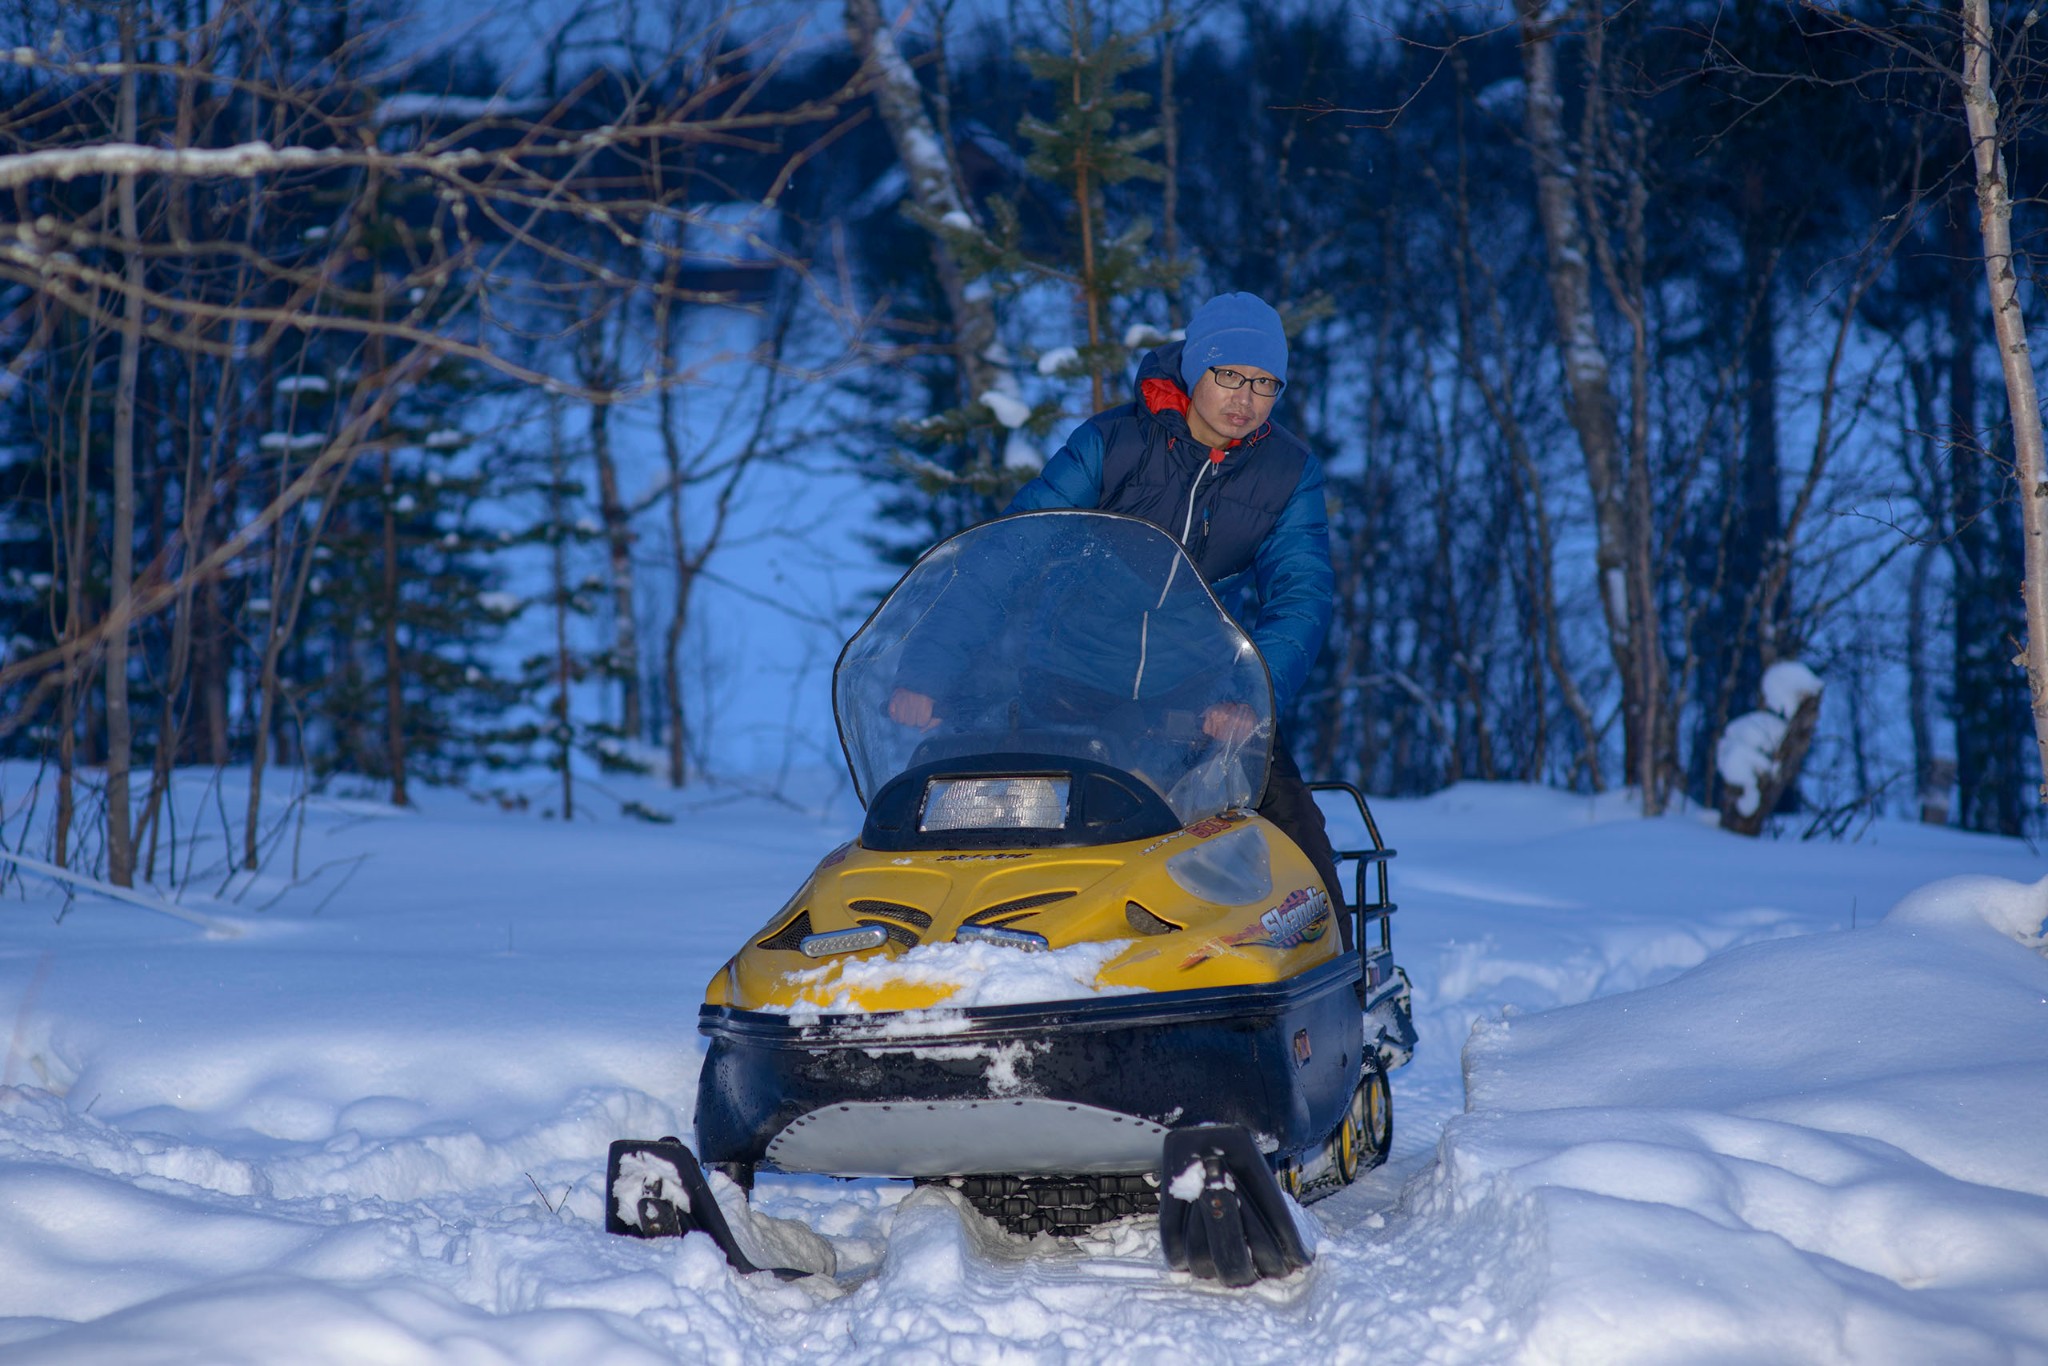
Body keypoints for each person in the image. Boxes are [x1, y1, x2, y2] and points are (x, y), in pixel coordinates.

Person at [892, 292, 1347, 925]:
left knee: (1295, 836)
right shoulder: (1111, 443)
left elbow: (1301, 592)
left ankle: (1341, 987)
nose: (1244, 399)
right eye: (1229, 375)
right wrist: (927, 671)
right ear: (1194, 369)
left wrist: (1254, 695)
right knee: (1006, 831)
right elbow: (1008, 553)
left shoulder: (1288, 472)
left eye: (1265, 383)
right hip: (1071, 683)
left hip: (1202, 693)